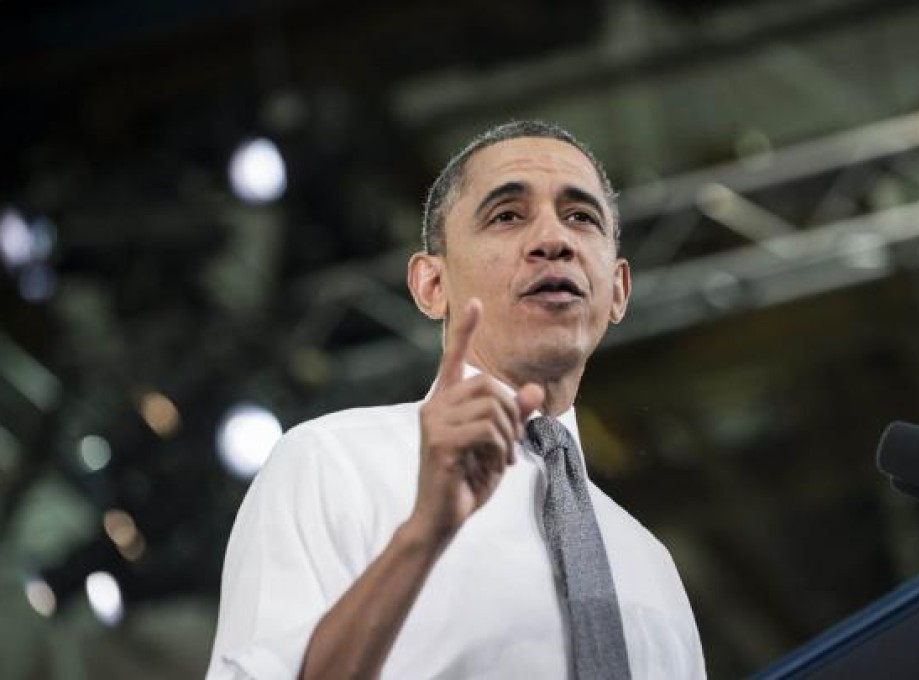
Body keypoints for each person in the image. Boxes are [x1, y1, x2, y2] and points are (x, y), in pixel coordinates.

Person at [207, 120, 706, 679]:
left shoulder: (652, 568)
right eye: (508, 215)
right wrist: (423, 535)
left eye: (581, 218)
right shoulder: (330, 464)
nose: (554, 240)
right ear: (430, 285)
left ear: (617, 290)